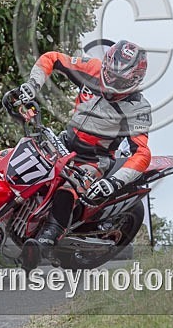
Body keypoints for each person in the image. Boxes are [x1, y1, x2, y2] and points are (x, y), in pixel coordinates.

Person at [10, 40, 152, 270]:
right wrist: (32, 86)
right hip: (63, 141)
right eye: (109, 73)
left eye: (120, 80)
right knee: (16, 157)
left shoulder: (138, 108)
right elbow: (52, 57)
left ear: (134, 81)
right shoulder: (93, 68)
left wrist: (113, 182)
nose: (111, 82)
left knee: (68, 190)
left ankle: (44, 242)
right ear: (105, 63)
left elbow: (142, 152)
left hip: (94, 161)